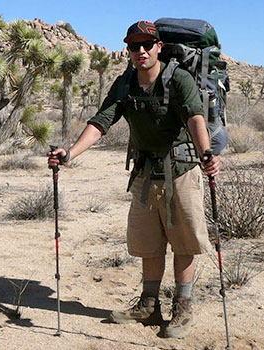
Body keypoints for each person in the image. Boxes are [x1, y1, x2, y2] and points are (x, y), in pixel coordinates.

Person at [47, 20, 220, 339]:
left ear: (158, 47)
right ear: (127, 50)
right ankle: (149, 304)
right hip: (144, 173)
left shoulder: (178, 78)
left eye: (146, 45)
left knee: (184, 242)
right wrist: (70, 153)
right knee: (148, 243)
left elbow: (196, 117)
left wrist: (206, 152)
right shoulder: (124, 83)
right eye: (133, 46)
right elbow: (101, 123)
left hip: (180, 169)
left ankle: (182, 307)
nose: (139, 51)